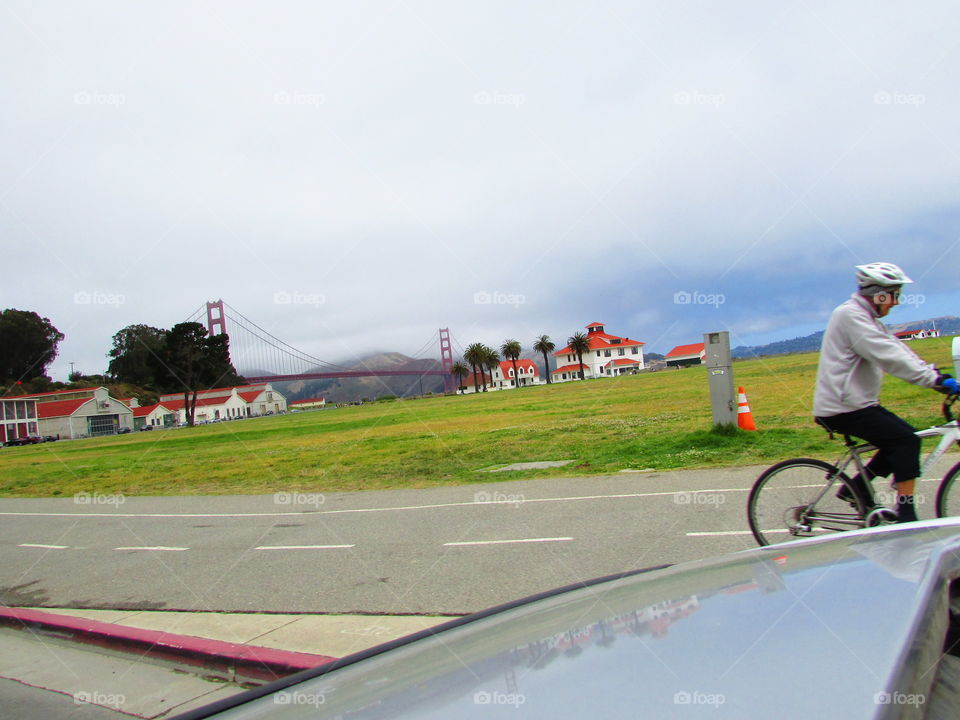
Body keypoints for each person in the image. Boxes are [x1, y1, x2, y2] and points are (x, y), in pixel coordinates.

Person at [813, 262, 959, 522]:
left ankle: (856, 488)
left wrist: (936, 375)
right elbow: (889, 356)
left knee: (901, 439)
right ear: (879, 294)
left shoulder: (865, 317)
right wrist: (933, 381)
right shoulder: (851, 316)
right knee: (906, 441)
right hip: (843, 407)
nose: (896, 302)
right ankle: (905, 514)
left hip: (856, 403)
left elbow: (899, 349)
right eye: (895, 295)